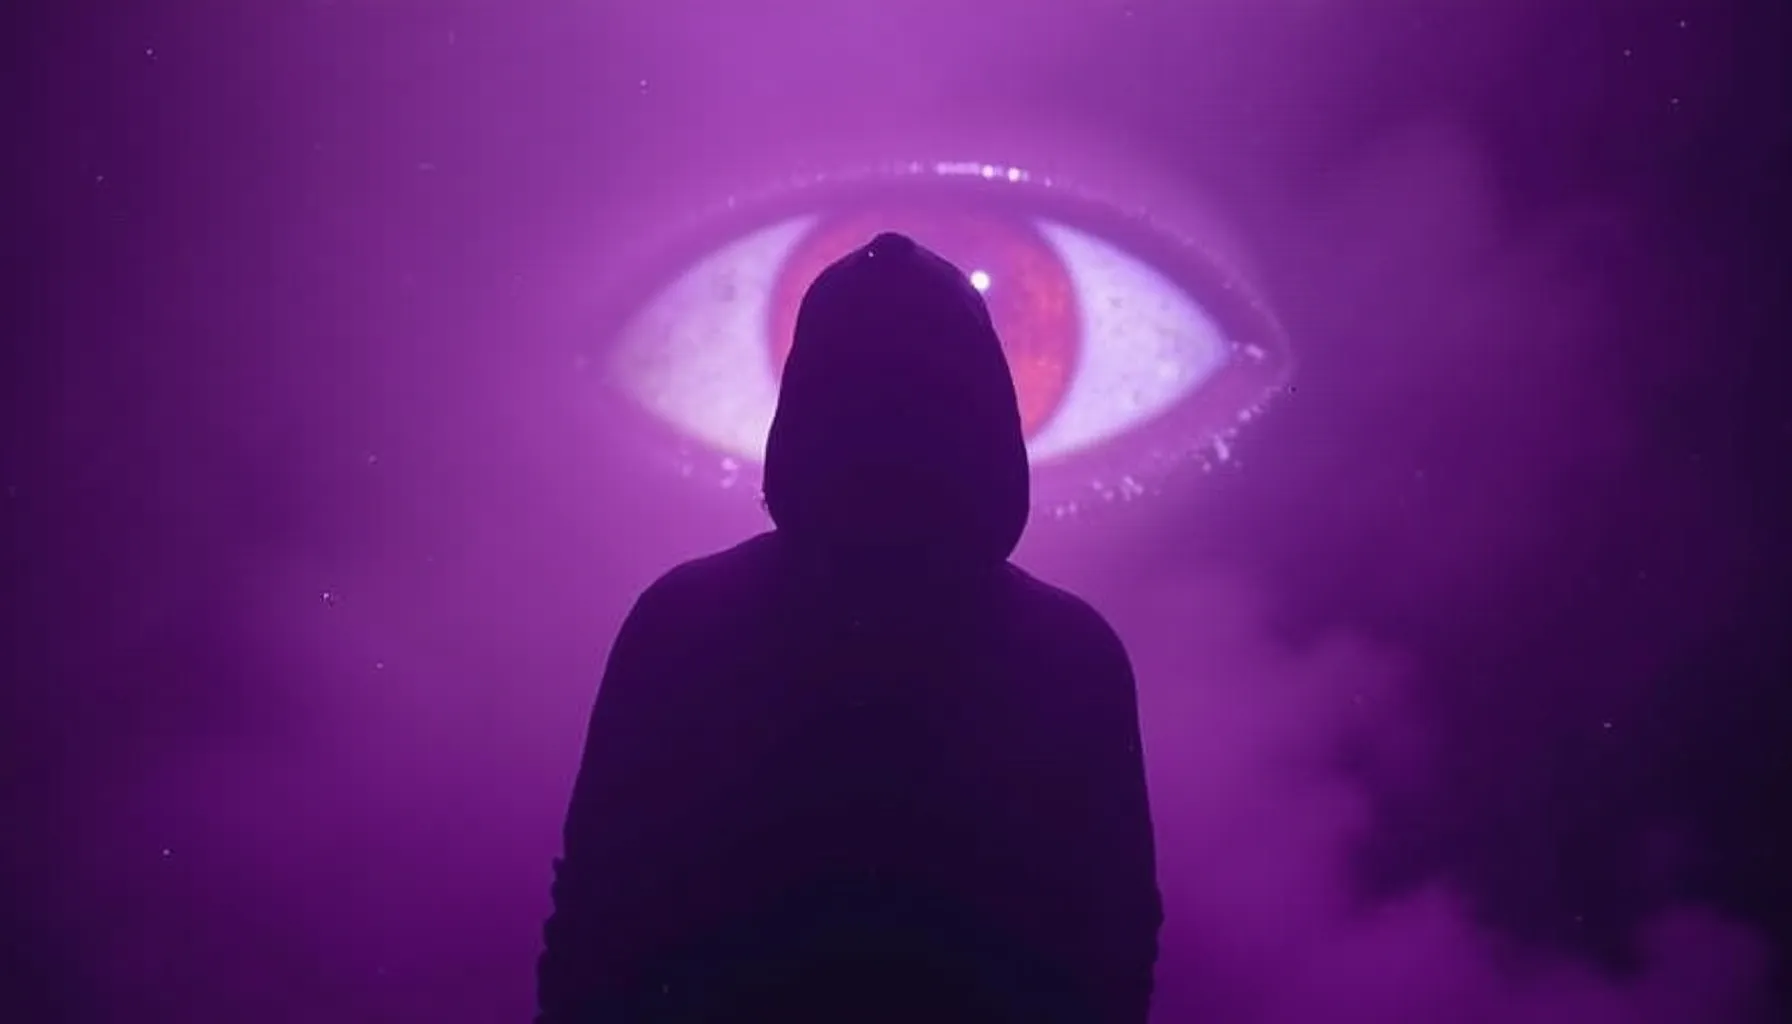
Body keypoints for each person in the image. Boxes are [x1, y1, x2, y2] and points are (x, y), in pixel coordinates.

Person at [536, 232, 1162, 1023]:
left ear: (802, 407)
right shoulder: (1072, 656)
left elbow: (594, 922)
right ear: (988, 411)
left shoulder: (683, 620)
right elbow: (1113, 945)